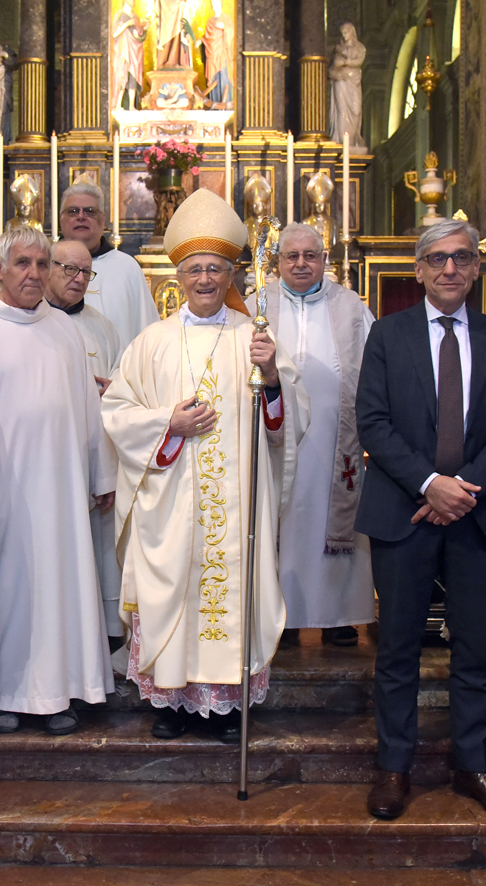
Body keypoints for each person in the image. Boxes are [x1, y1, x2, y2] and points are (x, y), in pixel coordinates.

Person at [102, 188, 306, 742]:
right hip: (168, 504)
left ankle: (227, 708)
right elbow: (117, 410)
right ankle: (171, 705)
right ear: (179, 277)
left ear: (231, 274)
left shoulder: (256, 339)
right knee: (172, 599)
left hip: (235, 507)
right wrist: (169, 423)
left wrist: (270, 379)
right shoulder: (152, 342)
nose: (205, 279)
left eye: (216, 268)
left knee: (228, 598)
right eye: (195, 269)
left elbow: (291, 420)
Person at [355, 218, 486, 822]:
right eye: (437, 259)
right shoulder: (387, 334)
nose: (449, 269)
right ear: (420, 270)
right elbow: (372, 422)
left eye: (460, 258)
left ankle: (473, 765)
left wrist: (463, 491)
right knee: (398, 649)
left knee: (475, 649)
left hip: (477, 516)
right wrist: (432, 485)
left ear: (476, 268)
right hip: (405, 512)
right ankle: (395, 767)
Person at [0, 227, 115, 736]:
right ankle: (5, 693)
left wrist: (100, 472)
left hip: (62, 488)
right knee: (8, 592)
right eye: (23, 263)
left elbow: (87, 408)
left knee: (63, 587)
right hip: (2, 492)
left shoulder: (64, 329)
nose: (35, 274)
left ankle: (59, 692)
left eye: (44, 264)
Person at [249, 223, 374, 648]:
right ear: (278, 261)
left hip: (337, 441)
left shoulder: (352, 308)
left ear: (324, 259)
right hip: (276, 436)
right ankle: (279, 615)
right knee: (279, 518)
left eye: (310, 255)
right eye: (291, 256)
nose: (301, 263)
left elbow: (376, 371)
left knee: (334, 520)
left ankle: (339, 616)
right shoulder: (256, 306)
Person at [45, 241, 125, 647]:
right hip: (44, 462)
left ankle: (103, 637)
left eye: (85, 273)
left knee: (97, 550)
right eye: (69, 270)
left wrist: (113, 391)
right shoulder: (30, 320)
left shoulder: (103, 327)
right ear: (48, 267)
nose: (78, 279)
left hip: (93, 458)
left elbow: (124, 393)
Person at [59, 182, 159, 347]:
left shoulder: (127, 268)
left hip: (117, 371)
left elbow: (148, 335)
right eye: (73, 211)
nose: (81, 216)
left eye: (90, 211)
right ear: (61, 219)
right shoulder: (47, 267)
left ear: (103, 219)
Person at [328, 23, 365, 146]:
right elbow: (331, 69)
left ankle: (352, 139)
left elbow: (360, 60)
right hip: (341, 82)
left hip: (353, 81)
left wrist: (345, 61)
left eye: (346, 32)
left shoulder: (360, 48)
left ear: (352, 32)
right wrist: (337, 75)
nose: (344, 35)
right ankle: (343, 142)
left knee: (356, 110)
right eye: (342, 32)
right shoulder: (338, 49)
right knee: (342, 110)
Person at [111, 1, 147, 111]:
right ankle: (118, 104)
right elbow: (114, 33)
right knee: (123, 75)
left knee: (133, 76)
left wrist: (145, 28)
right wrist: (127, 24)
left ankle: (131, 105)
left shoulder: (135, 16)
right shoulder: (119, 14)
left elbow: (138, 34)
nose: (134, 1)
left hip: (134, 50)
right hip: (123, 49)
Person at [200, 0, 235, 109]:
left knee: (224, 76)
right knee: (213, 79)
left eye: (216, 2)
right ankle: (215, 104)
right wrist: (200, 40)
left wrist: (224, 28)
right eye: (213, 3)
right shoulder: (210, 22)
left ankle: (226, 104)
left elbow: (232, 33)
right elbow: (207, 38)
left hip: (223, 53)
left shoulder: (227, 19)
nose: (214, 5)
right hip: (212, 55)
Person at [155, 0, 194, 69]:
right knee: (166, 32)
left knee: (182, 7)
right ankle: (164, 60)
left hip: (179, 5)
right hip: (166, 6)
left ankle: (179, 60)